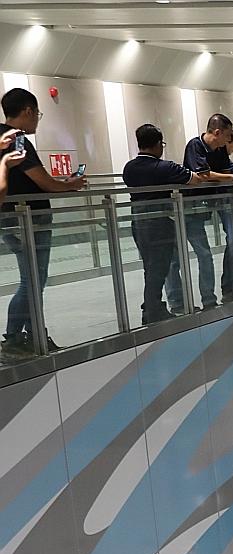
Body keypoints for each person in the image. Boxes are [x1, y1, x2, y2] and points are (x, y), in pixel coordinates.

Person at [1, 88, 88, 358]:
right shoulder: (17, 140)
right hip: (27, 218)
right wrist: (70, 185)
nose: (37, 119)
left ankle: (34, 336)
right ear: (27, 111)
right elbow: (43, 182)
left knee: (33, 278)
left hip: (11, 217)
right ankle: (14, 338)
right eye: (37, 114)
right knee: (33, 279)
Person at [122, 123, 209, 324]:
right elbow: (195, 179)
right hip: (160, 223)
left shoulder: (129, 168)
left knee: (149, 267)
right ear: (158, 144)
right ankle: (152, 309)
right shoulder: (164, 167)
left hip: (138, 222)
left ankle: (152, 305)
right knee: (160, 268)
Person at [183, 114, 233, 306]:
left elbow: (228, 168)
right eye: (227, 135)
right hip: (196, 206)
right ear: (217, 132)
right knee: (204, 254)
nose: (229, 140)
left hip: (220, 200)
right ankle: (208, 300)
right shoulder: (195, 145)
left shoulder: (219, 150)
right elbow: (203, 174)